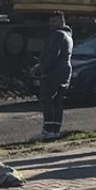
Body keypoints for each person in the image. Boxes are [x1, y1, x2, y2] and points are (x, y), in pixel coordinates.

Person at [32, 11, 72, 140]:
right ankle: (55, 130)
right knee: (57, 101)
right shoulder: (68, 35)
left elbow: (53, 54)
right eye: (51, 21)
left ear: (61, 21)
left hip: (53, 73)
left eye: (54, 21)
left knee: (47, 99)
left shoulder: (58, 35)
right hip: (65, 72)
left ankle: (48, 130)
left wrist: (42, 68)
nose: (51, 24)